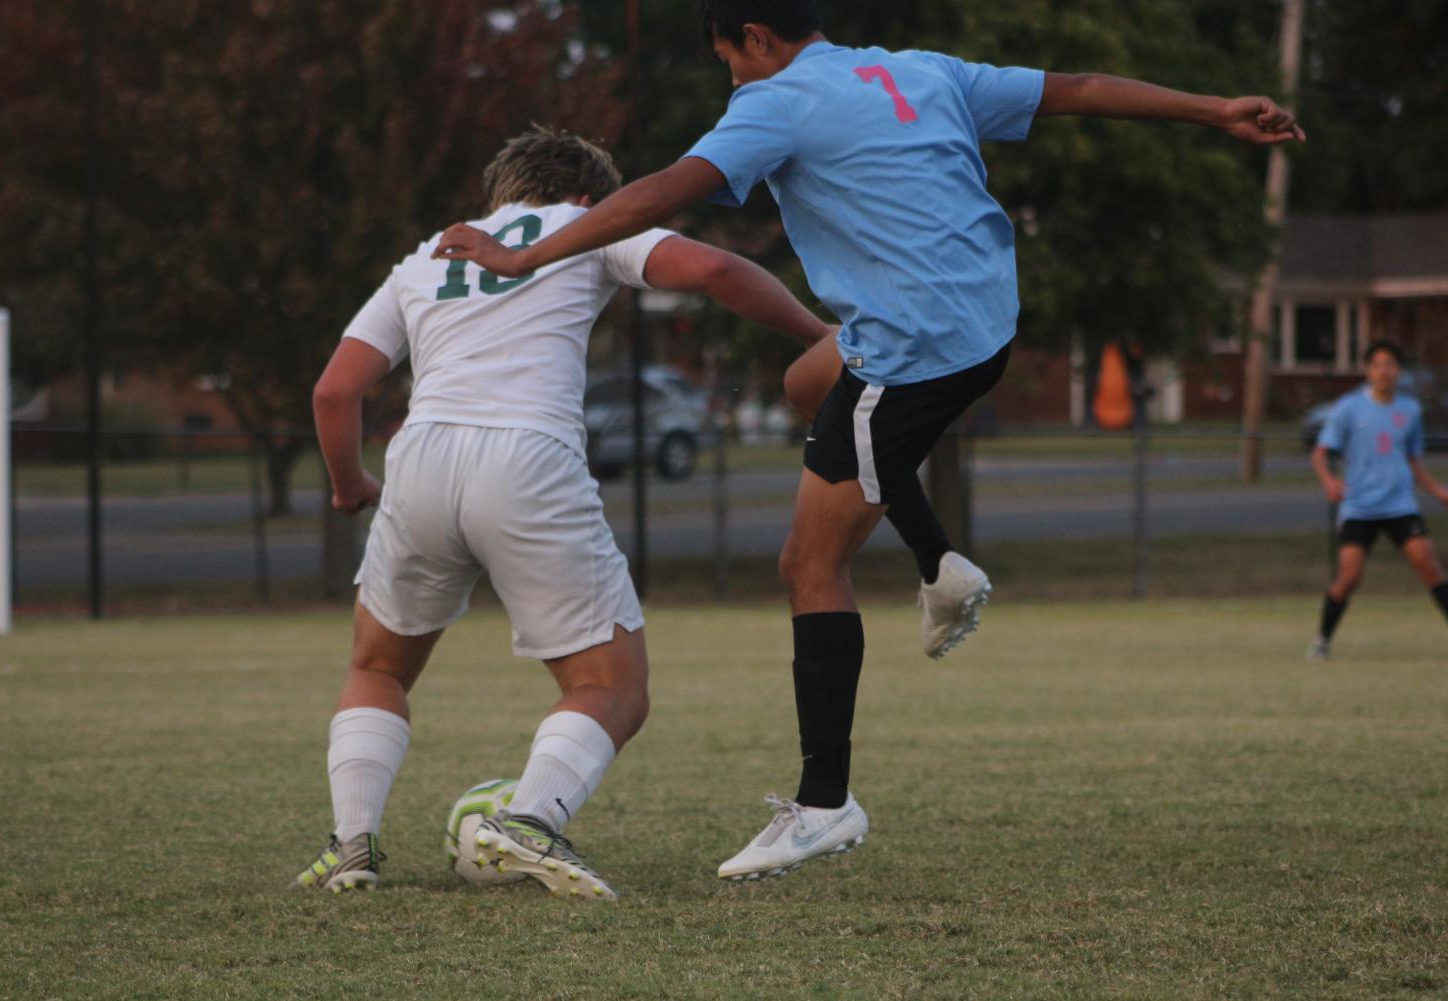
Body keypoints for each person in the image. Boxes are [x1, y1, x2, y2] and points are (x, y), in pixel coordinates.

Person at [434, 0, 1305, 882]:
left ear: (758, 41)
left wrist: (525, 258)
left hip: (913, 349)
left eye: (727, 59)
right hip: (984, 321)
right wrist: (1214, 109)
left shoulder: (770, 102)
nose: (729, 78)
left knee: (807, 566)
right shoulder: (922, 69)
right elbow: (1074, 88)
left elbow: (662, 191)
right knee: (808, 379)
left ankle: (823, 803)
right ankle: (939, 565)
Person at [295, 126, 832, 899]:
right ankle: (530, 818)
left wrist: (349, 485)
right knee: (610, 685)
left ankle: (352, 844)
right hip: (526, 457)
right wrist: (818, 335)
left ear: (503, 194)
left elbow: (334, 391)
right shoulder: (588, 229)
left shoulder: (426, 257)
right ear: (590, 198)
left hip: (420, 458)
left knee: (376, 665)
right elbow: (712, 268)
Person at [1308, 340, 1448, 660]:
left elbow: (1413, 461)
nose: (1384, 371)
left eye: (1390, 365)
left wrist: (1437, 491)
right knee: (1348, 578)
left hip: (1400, 504)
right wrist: (1329, 480)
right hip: (1359, 506)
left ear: (1399, 371)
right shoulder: (1348, 408)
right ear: (1368, 370)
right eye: (1377, 364)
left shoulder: (1410, 410)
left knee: (1430, 568)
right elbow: (1320, 453)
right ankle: (1322, 641)